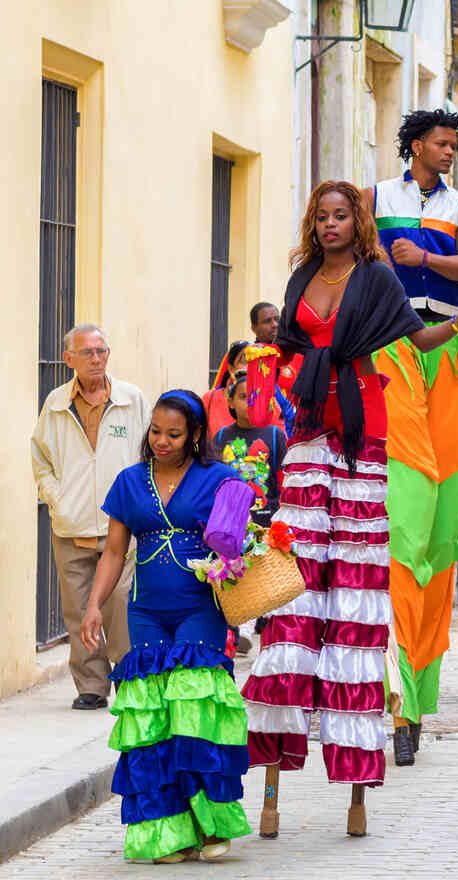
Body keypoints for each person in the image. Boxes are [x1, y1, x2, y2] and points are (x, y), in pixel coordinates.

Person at [241, 180, 458, 833]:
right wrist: (263, 380)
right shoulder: (300, 280)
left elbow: (416, 341)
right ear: (313, 223)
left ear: (356, 223)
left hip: (362, 434)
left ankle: (356, 793)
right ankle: (271, 790)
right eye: (321, 216)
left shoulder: (379, 281)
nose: (330, 224)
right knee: (296, 591)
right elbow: (290, 351)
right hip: (307, 434)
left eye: (341, 215)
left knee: (356, 594)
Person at [78, 390, 254, 863]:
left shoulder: (218, 477)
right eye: (155, 431)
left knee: (196, 712)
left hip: (201, 607)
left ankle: (210, 826)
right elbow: (114, 552)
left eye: (173, 434)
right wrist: (95, 606)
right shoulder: (130, 481)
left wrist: (234, 542)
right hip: (146, 611)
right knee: (153, 719)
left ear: (195, 435)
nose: (161, 440)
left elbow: (239, 532)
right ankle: (166, 833)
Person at [363, 109, 458, 767]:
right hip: (389, 351)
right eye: (442, 143)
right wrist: (386, 256)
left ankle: (413, 693)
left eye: (454, 145)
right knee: (402, 535)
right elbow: (353, 256)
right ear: (416, 145)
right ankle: (394, 695)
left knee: (436, 541)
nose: (450, 153)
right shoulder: (376, 196)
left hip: (443, 350)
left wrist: (426, 256)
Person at [31, 324, 149, 710]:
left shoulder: (131, 399)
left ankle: (125, 674)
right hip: (72, 522)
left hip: (122, 522)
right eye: (88, 353)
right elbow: (41, 457)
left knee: (118, 601)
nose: (97, 359)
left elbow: (149, 453)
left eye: (102, 351)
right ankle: (91, 686)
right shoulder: (56, 403)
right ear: (69, 360)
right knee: (78, 606)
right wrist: (56, 499)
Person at [214, 371, 288, 528]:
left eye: (256, 396)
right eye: (243, 397)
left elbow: (285, 484)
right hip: (229, 526)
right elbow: (214, 483)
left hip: (268, 526)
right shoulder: (220, 437)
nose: (251, 402)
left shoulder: (275, 435)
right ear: (230, 401)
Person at [204, 340, 296, 435]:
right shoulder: (210, 399)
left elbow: (284, 431)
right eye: (245, 361)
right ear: (231, 368)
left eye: (256, 361)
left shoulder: (270, 397)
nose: (251, 366)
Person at [252, 301, 303, 396]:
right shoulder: (245, 355)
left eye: (277, 320)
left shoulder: (297, 355)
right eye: (267, 321)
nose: (275, 325)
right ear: (254, 328)